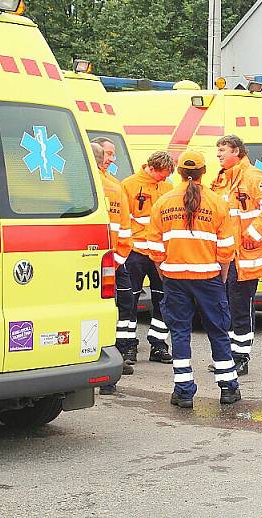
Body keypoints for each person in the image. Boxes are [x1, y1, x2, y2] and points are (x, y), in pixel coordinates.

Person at [145, 150, 239, 408]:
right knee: (218, 331)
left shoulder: (163, 202)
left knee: (179, 334)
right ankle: (228, 387)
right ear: (203, 172)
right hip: (208, 278)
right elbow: (226, 248)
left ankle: (183, 391)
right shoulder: (217, 202)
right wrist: (221, 276)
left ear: (179, 172)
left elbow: (154, 247)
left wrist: (165, 272)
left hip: (175, 278)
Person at [210, 135, 262, 375]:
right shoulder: (221, 179)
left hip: (245, 257)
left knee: (241, 307)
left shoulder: (252, 177)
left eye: (223, 150)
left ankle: (241, 357)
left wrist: (253, 232)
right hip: (226, 256)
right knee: (228, 307)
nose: (219, 154)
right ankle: (229, 355)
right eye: (218, 150)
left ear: (237, 151)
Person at [120, 151, 175, 364]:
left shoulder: (167, 187)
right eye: (162, 174)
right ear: (151, 168)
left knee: (163, 298)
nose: (164, 178)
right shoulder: (129, 185)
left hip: (160, 254)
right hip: (135, 252)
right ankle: (127, 346)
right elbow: (124, 219)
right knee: (129, 299)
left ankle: (159, 345)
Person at [90, 142, 134, 394]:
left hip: (75, 262)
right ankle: (108, 378)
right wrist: (114, 264)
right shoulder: (115, 189)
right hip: (110, 263)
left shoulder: (76, 183)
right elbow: (125, 234)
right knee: (111, 312)